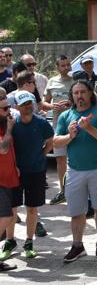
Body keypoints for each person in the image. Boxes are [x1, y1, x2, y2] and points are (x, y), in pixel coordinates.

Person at [54, 80, 97, 263]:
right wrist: (70, 136)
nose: (79, 96)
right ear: (72, 96)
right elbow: (56, 142)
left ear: (90, 93)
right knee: (76, 211)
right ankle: (77, 245)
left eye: (83, 92)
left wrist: (89, 128)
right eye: (76, 93)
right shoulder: (65, 116)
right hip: (74, 170)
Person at [0, 91, 53, 261]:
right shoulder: (12, 124)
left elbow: (50, 140)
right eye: (23, 104)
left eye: (29, 103)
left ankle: (29, 242)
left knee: (32, 209)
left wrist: (42, 155)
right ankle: (10, 241)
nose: (27, 106)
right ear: (17, 106)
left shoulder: (42, 123)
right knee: (13, 209)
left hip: (36, 172)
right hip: (16, 173)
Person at [44, 55, 73, 206]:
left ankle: (77, 189)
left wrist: (71, 104)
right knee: (60, 159)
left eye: (68, 64)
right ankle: (63, 191)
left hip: (75, 124)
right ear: (57, 67)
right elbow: (44, 102)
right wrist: (52, 107)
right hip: (58, 126)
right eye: (63, 65)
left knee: (75, 158)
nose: (66, 67)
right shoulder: (52, 81)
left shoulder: (75, 81)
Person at [0, 96, 18, 271]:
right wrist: (10, 128)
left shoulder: (4, 125)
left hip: (8, 178)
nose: (8, 111)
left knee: (7, 217)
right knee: (6, 217)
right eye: (4, 109)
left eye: (9, 107)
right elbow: (3, 148)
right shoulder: (6, 127)